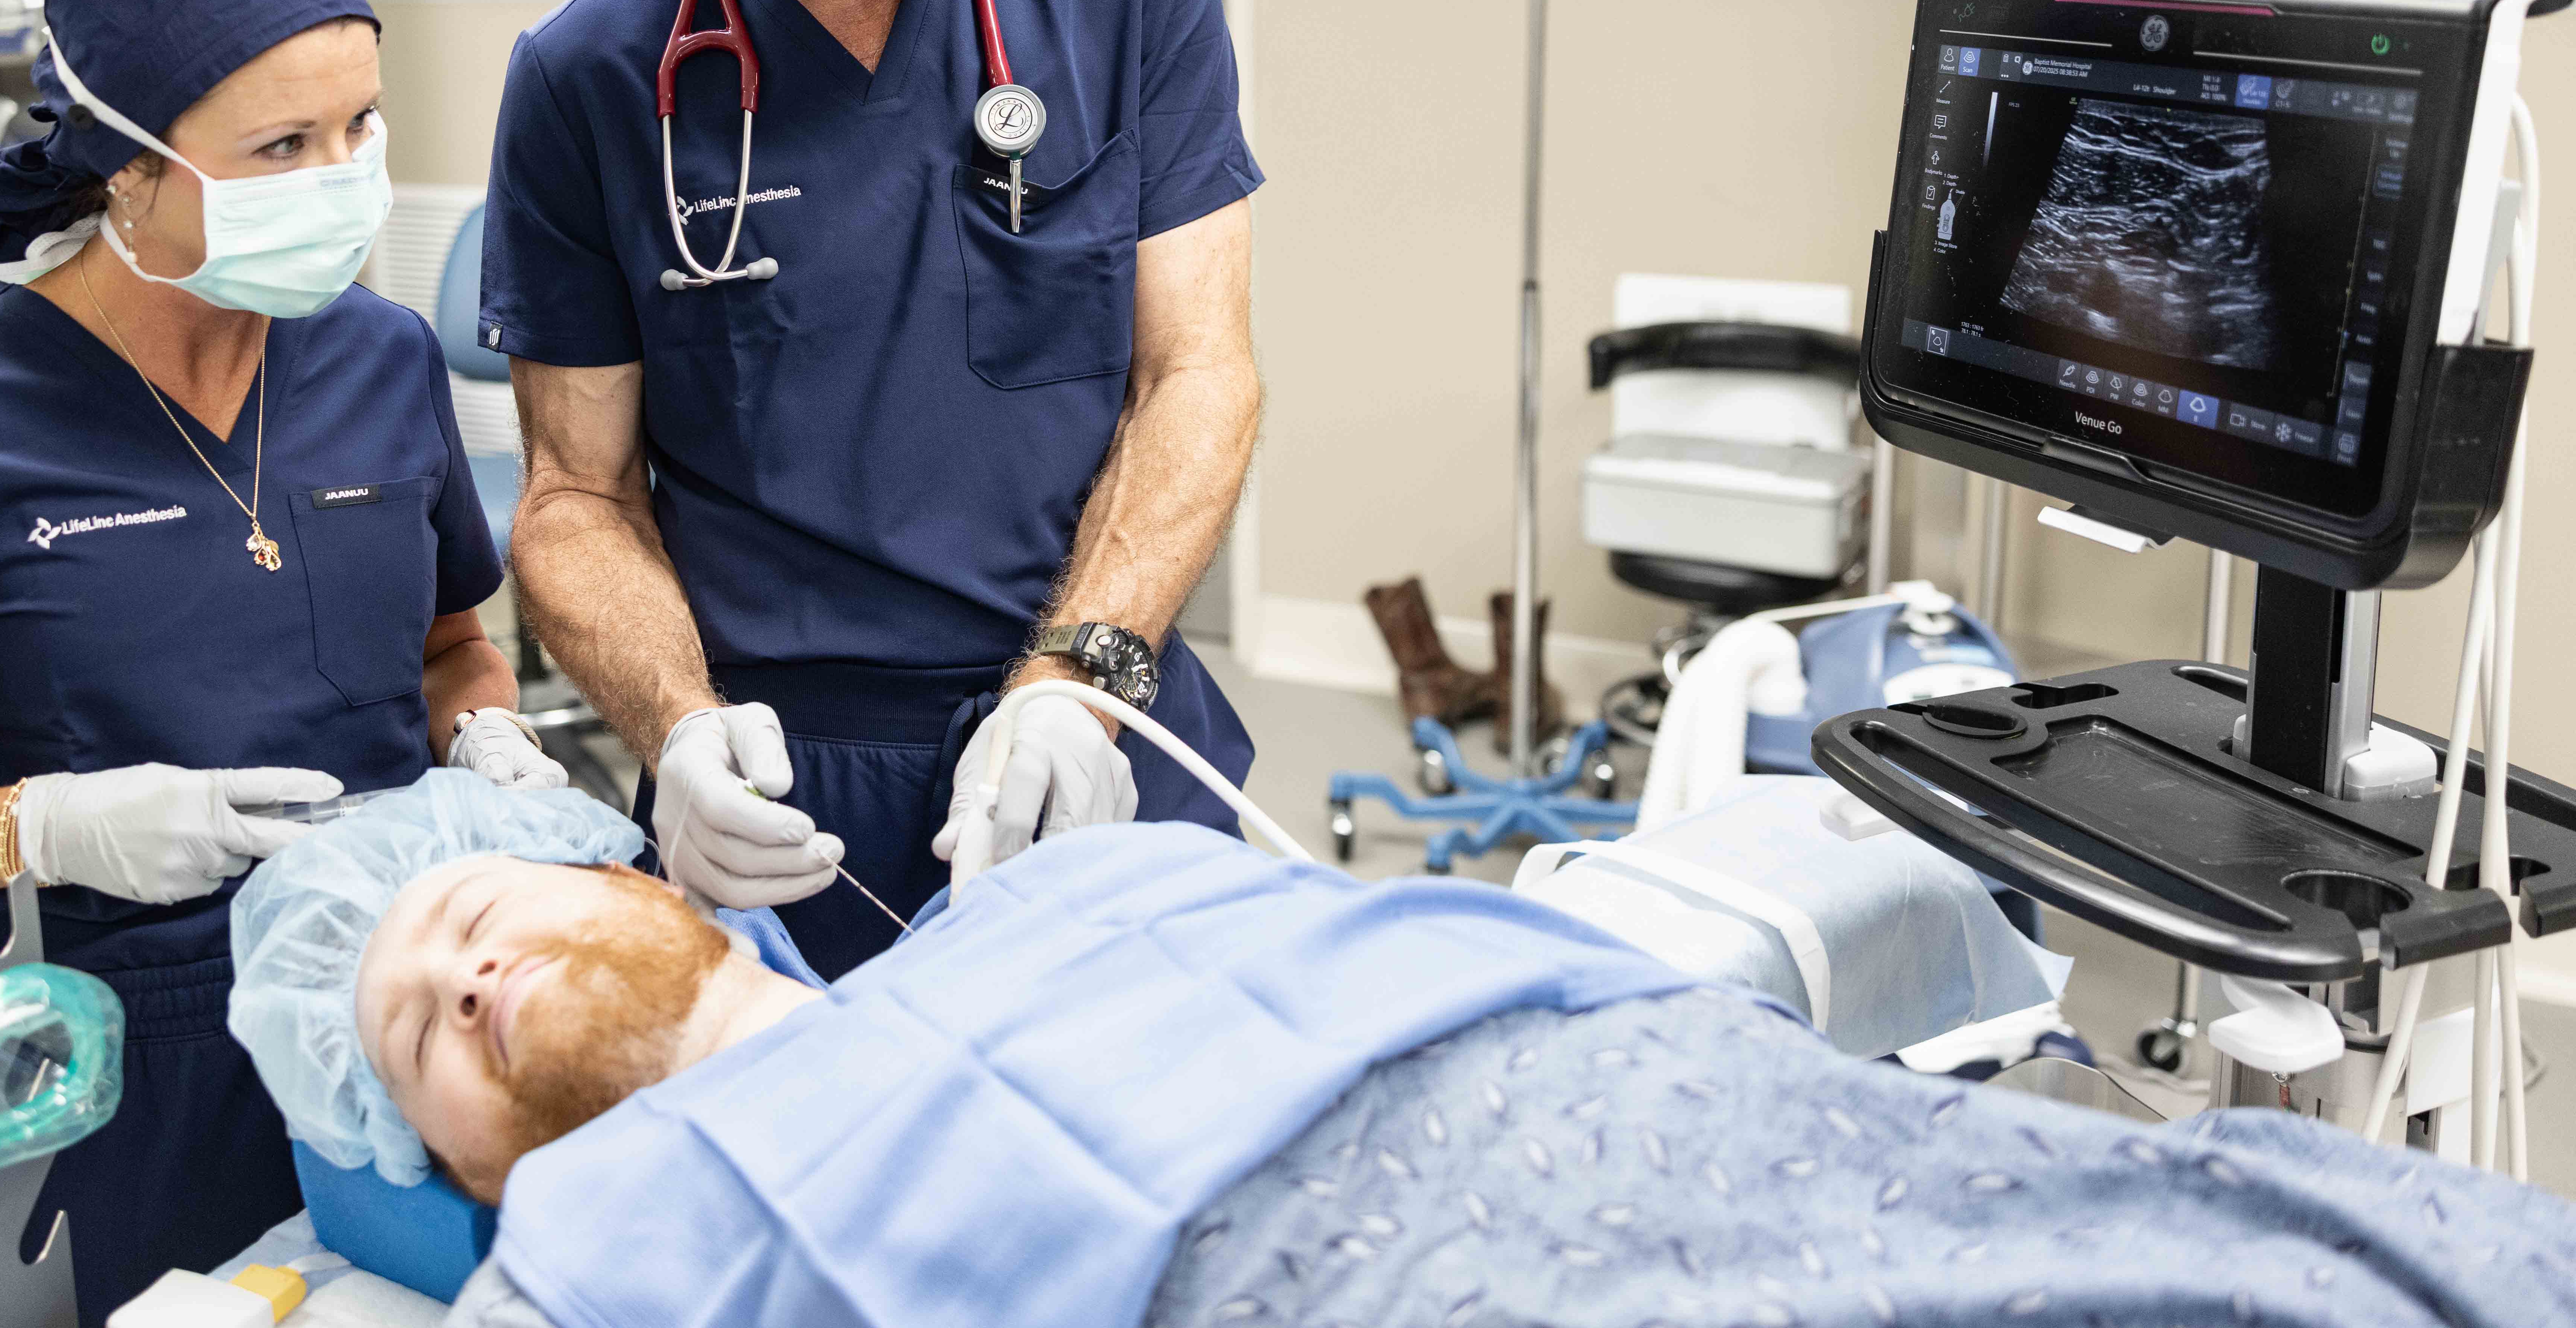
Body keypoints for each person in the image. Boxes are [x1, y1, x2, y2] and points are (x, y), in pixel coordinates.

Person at [230, 773, 2576, 1328]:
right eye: (418, 1037)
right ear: (436, 1163)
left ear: (634, 865)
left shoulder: (1072, 864)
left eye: (464, 906)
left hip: (1636, 1089)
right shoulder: (589, 1250)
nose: (456, 979)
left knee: (2255, 1234)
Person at [0, 0, 570, 1323]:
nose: (344, 177)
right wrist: (55, 825)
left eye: (360, 129)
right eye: (281, 146)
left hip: (391, 1011)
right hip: (114, 1057)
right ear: (123, 171)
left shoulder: (377, 362)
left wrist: (484, 737)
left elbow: (452, 647)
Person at [479, 0, 1266, 978]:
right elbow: (574, 496)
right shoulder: (595, 76)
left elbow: (1199, 373)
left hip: (1095, 711)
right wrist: (678, 731)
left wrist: (1075, 684)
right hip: (792, 791)